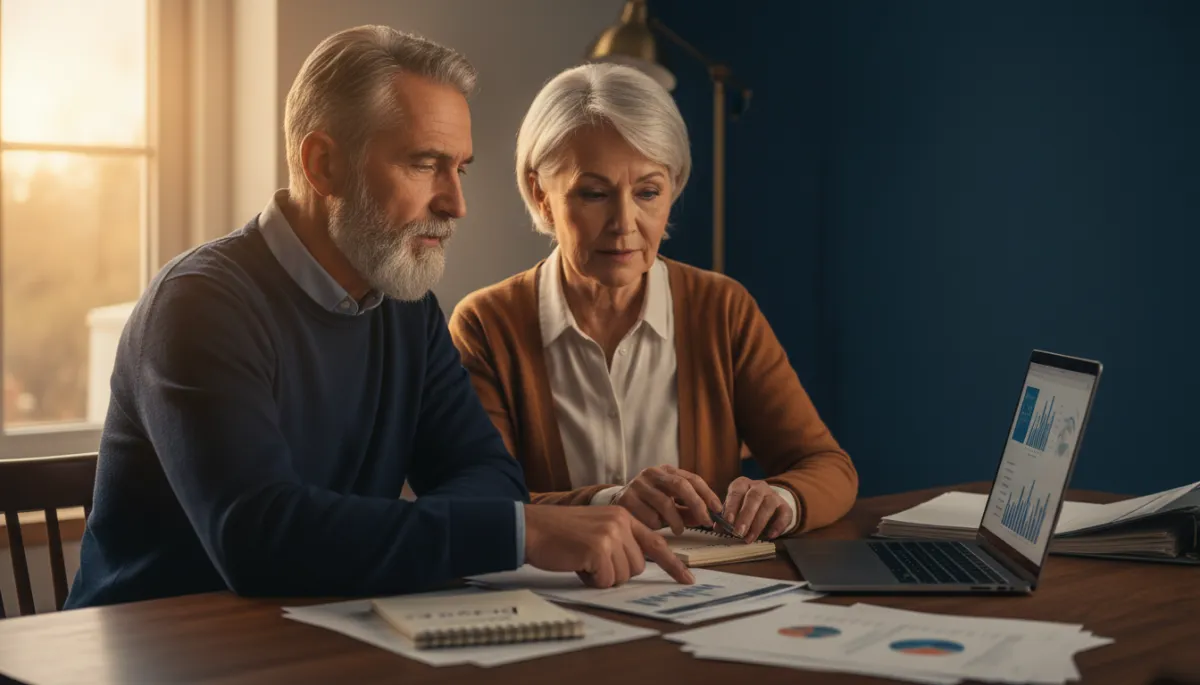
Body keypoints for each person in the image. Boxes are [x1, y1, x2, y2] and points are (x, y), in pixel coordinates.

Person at [66, 27, 692, 610]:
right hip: (152, 654)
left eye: (460, 167)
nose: (455, 202)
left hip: (323, 634)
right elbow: (261, 541)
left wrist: (365, 535)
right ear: (323, 166)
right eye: (424, 164)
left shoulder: (405, 306)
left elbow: (490, 480)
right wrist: (514, 532)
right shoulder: (199, 305)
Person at [450, 63, 858, 544]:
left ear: (674, 188)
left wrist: (784, 500)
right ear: (542, 197)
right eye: (595, 193)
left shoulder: (722, 308)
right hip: (561, 599)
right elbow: (481, 503)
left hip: (712, 597)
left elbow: (826, 467)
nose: (625, 223)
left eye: (648, 192)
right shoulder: (487, 323)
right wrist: (611, 503)